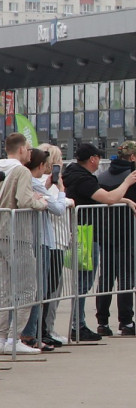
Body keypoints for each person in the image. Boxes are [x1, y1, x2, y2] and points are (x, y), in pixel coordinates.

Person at [63, 142, 136, 341]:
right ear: (93, 159)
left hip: (82, 232)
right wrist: (127, 184)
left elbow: (101, 198)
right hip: (86, 233)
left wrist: (126, 200)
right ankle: (77, 325)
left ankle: (78, 324)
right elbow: (108, 198)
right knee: (83, 283)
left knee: (83, 282)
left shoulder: (74, 174)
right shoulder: (83, 179)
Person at [95, 141, 136, 336]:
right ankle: (126, 322)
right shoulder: (134, 177)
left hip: (105, 233)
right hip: (128, 232)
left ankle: (102, 323)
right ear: (133, 158)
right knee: (126, 279)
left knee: (105, 279)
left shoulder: (102, 176)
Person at [0, 135, 48, 354]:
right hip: (16, 232)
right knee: (27, 287)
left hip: (1, 233)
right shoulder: (21, 171)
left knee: (4, 288)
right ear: (20, 150)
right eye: (28, 150)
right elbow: (25, 201)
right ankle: (14, 337)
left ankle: (2, 338)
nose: (30, 154)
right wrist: (41, 202)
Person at [22, 145, 71, 349]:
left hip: (38, 239)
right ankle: (30, 334)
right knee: (39, 290)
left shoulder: (32, 181)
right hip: (41, 239)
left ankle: (32, 333)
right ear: (42, 165)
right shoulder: (35, 183)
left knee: (38, 289)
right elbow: (57, 208)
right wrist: (61, 193)